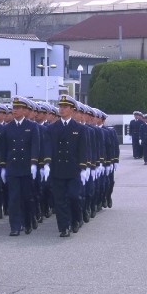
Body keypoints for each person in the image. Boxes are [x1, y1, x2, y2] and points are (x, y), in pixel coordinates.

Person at [45, 95, 89, 237]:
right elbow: (48, 147)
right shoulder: (52, 128)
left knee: (74, 196)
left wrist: (83, 167)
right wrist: (47, 163)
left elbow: (83, 149)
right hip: (57, 169)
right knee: (59, 200)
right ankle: (64, 226)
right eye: (60, 106)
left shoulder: (79, 128)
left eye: (65, 107)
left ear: (72, 110)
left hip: (73, 169)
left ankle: (76, 218)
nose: (62, 109)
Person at [1, 96, 40, 236]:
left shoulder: (32, 126)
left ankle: (28, 221)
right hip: (13, 167)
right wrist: (2, 167)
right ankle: (15, 226)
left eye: (18, 108)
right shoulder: (7, 128)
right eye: (14, 108)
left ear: (24, 110)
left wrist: (34, 163)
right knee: (13, 198)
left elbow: (35, 146)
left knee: (27, 198)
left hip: (26, 167)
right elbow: (3, 149)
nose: (15, 110)